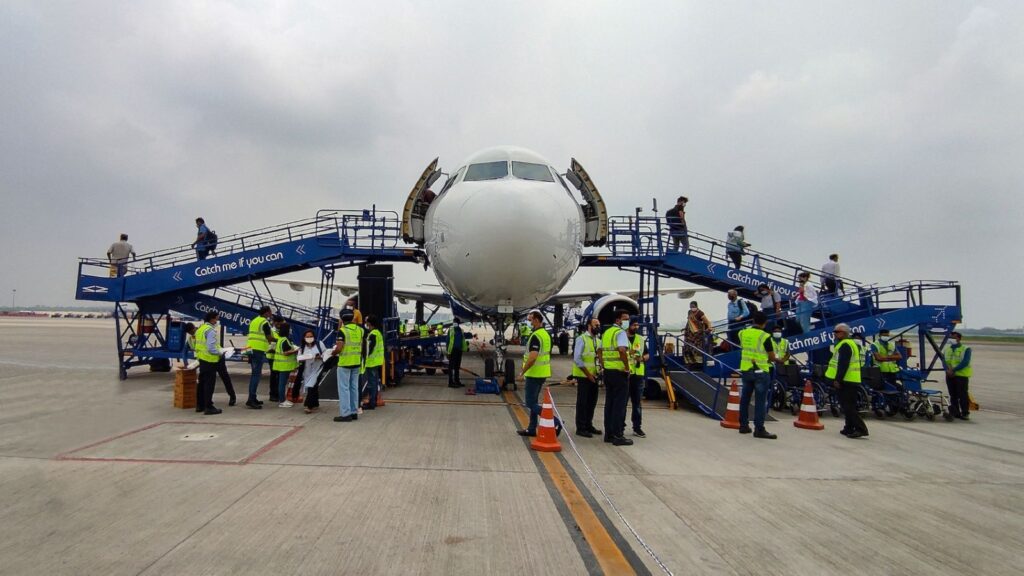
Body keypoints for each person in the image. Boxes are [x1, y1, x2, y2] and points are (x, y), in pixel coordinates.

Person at [516, 311, 560, 437]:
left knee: (529, 403)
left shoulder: (536, 336)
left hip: (534, 373)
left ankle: (555, 421)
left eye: (531, 320)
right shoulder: (545, 334)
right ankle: (531, 428)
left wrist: (522, 372)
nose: (529, 323)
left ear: (536, 320)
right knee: (534, 401)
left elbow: (533, 357)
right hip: (543, 372)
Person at [737, 312, 778, 439]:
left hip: (746, 370)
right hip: (760, 371)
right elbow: (771, 357)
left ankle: (743, 425)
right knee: (760, 401)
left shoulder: (742, 333)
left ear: (753, 320)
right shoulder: (765, 336)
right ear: (765, 323)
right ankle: (759, 429)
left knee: (745, 398)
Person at [827, 323, 868, 438]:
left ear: (844, 333)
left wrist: (838, 379)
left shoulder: (845, 345)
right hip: (850, 379)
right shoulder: (848, 344)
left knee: (848, 406)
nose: (834, 334)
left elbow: (843, 364)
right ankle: (849, 427)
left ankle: (861, 429)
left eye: (837, 332)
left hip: (847, 380)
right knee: (847, 406)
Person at [600, 310, 633, 446]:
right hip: (619, 372)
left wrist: (603, 366)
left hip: (608, 372)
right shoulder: (620, 333)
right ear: (618, 320)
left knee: (610, 404)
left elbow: (600, 351)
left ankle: (608, 434)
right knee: (619, 405)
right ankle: (618, 435)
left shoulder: (607, 333)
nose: (627, 321)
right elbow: (622, 350)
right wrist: (626, 367)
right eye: (625, 319)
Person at [572, 318, 602, 438]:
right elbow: (577, 359)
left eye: (599, 325)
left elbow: (599, 358)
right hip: (584, 376)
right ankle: (581, 427)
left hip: (595, 376)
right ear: (589, 326)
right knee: (582, 403)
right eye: (596, 325)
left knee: (592, 402)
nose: (598, 327)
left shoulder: (598, 341)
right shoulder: (581, 339)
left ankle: (589, 424)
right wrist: (588, 375)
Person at [333, 310, 364, 422]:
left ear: (342, 319)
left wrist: (332, 353)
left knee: (344, 389)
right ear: (352, 318)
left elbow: (339, 347)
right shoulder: (360, 330)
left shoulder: (342, 331)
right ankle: (354, 412)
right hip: (356, 362)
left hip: (345, 363)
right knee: (354, 388)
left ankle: (345, 414)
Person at [193, 311, 224, 415]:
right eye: (216, 319)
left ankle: (199, 405)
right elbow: (211, 348)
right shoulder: (210, 330)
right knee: (209, 384)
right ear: (212, 319)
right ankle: (208, 406)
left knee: (201, 383)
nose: (217, 321)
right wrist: (220, 352)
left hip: (201, 359)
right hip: (210, 360)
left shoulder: (200, 329)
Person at [245, 306, 274, 409]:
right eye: (270, 312)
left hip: (250, 348)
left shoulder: (254, 321)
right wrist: (278, 340)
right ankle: (251, 399)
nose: (271, 314)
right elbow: (269, 337)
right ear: (266, 313)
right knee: (256, 375)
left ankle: (253, 397)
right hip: (258, 350)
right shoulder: (264, 322)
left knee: (255, 374)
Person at [627, 319, 649, 438]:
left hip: (638, 374)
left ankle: (637, 427)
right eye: (634, 325)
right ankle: (620, 426)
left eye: (637, 325)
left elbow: (646, 354)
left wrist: (643, 358)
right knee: (623, 402)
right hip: (626, 374)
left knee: (637, 403)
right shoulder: (622, 338)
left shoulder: (640, 338)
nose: (636, 327)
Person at [944, 331, 972, 420]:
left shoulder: (966, 349)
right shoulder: (947, 350)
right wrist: (947, 370)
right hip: (950, 375)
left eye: (953, 338)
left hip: (961, 375)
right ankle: (955, 412)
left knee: (962, 395)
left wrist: (953, 370)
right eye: (950, 338)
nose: (951, 340)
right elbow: (944, 361)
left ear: (959, 339)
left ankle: (965, 413)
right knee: (953, 395)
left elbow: (965, 362)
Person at [296, 329, 326, 414]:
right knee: (313, 386)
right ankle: (315, 403)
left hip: (318, 368)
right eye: (307, 337)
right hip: (307, 369)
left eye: (311, 336)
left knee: (312, 385)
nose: (309, 338)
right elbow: (298, 358)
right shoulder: (302, 347)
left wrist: (319, 357)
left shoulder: (319, 344)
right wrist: (304, 357)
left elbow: (326, 353)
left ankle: (308, 405)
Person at [273, 323, 299, 407]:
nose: (290, 330)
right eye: (289, 329)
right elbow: (286, 353)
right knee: (282, 384)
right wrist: (295, 351)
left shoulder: (281, 339)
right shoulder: (284, 340)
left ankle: (283, 399)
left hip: (282, 365)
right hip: (284, 365)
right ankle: (282, 401)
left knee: (282, 383)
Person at [362, 316, 384, 410]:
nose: (365, 324)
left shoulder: (373, 334)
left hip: (371, 362)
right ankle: (373, 401)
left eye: (366, 322)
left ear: (369, 323)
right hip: (376, 361)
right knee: (374, 382)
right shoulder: (377, 333)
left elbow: (369, 349)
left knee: (371, 383)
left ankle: (371, 403)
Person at [872, 329, 903, 394]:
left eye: (887, 335)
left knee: (892, 388)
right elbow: (878, 358)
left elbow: (899, 356)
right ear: (880, 335)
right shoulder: (875, 345)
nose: (886, 337)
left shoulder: (892, 345)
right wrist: (892, 357)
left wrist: (885, 357)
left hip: (892, 371)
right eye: (884, 335)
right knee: (883, 389)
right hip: (880, 371)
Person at [683, 301, 712, 368]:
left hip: (697, 334)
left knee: (696, 348)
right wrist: (685, 329)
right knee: (687, 347)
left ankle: (698, 363)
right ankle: (689, 362)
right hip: (689, 334)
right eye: (691, 307)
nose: (692, 308)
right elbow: (689, 322)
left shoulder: (700, 313)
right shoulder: (689, 312)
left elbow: (707, 322)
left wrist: (709, 328)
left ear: (696, 306)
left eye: (693, 306)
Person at [266, 315, 284, 403]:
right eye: (279, 324)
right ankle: (273, 395)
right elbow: (269, 342)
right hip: (272, 356)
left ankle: (277, 393)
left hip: (279, 357)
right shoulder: (271, 331)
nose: (280, 325)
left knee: (278, 376)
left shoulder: (281, 331)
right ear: (275, 323)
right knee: (274, 376)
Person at [446, 319, 465, 388]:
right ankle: (450, 382)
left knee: (457, 367)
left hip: (459, 351)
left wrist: (464, 349)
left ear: (458, 323)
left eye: (455, 322)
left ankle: (457, 381)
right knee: (451, 367)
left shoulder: (461, 330)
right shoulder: (451, 330)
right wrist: (448, 352)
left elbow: (462, 340)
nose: (454, 323)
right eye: (454, 322)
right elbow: (447, 341)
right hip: (452, 351)